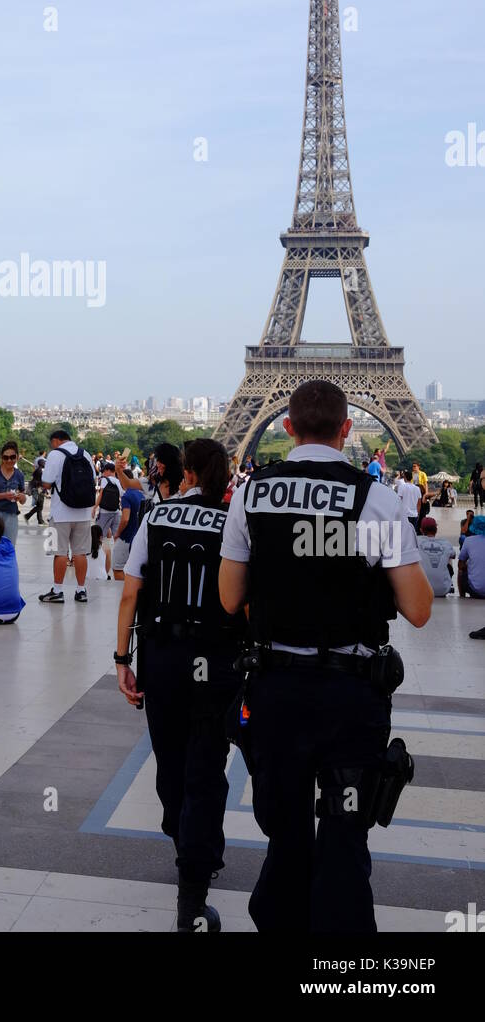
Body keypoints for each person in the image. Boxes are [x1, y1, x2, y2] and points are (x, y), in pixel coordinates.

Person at [218, 379, 432, 933]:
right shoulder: (375, 497)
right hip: (349, 691)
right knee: (343, 838)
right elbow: (418, 609)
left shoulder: (252, 493)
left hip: (276, 688)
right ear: (347, 428)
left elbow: (229, 598)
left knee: (285, 834)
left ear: (286, 428)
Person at [116, 439, 247, 932]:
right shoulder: (235, 520)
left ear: (186, 473)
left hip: (163, 658)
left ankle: (183, 836)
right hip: (216, 659)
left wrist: (120, 659)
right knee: (208, 767)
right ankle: (195, 876)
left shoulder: (158, 515)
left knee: (169, 762)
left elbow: (131, 592)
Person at [38, 429, 97, 603]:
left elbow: (47, 483)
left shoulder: (55, 454)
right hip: (84, 513)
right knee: (81, 553)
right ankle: (81, 590)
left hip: (60, 512)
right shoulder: (84, 453)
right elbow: (93, 479)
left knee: (60, 553)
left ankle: (57, 590)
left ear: (56, 441)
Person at [111, 470, 146, 580]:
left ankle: (122, 592)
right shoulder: (141, 494)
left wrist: (117, 533)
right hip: (138, 536)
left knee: (117, 567)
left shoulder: (126, 496)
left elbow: (125, 519)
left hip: (127, 537)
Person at [93, 461, 122, 574]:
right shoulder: (119, 482)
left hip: (105, 512)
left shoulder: (105, 480)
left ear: (109, 471)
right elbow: (121, 496)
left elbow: (101, 494)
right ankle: (119, 561)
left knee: (99, 538)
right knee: (117, 538)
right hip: (116, 512)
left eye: (104, 471)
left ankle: (101, 565)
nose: (103, 473)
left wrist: (95, 507)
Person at [416, 517, 454, 597]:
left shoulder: (415, 540)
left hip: (420, 589)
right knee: (449, 557)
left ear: (421, 530)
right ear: (436, 530)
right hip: (443, 590)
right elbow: (453, 555)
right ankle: (447, 584)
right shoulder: (445, 543)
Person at [458, 515, 485, 599]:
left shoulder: (468, 540)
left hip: (475, 590)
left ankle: (462, 597)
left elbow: (460, 564)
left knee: (461, 571)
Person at [23, 459, 46, 524]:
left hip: (39, 489)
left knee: (39, 506)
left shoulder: (38, 470)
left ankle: (40, 520)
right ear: (41, 463)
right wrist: (41, 489)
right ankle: (27, 516)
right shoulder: (40, 471)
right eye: (44, 462)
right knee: (40, 506)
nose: (45, 464)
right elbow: (39, 481)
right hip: (39, 490)